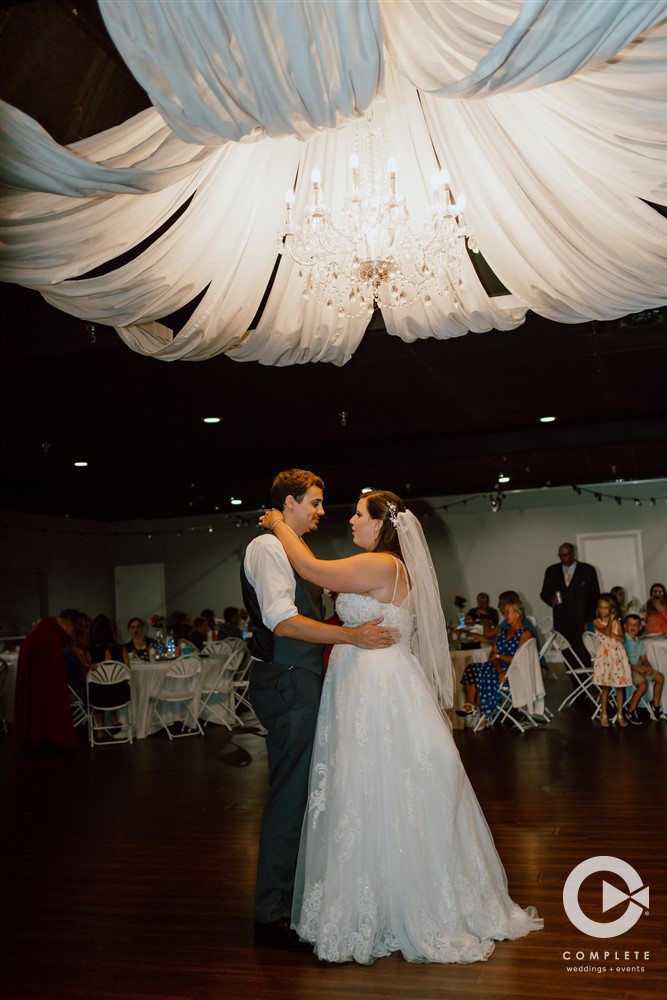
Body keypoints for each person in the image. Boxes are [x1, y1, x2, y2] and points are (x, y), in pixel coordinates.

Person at [262, 489, 542, 964]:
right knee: (374, 789)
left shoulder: (384, 565)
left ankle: (394, 906)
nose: (349, 520)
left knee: (379, 786)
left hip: (376, 687)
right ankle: (383, 898)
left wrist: (277, 524)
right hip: (367, 682)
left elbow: (310, 569)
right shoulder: (380, 567)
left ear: (380, 524)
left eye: (357, 514)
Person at [241, 469, 397, 952]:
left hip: (302, 681)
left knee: (306, 793)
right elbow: (283, 623)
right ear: (288, 504)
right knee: (291, 796)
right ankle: (271, 915)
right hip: (288, 682)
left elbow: (310, 586)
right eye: (313, 502)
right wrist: (350, 636)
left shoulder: (286, 548)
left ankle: (291, 903)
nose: (321, 511)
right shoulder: (267, 548)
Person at [14, 608, 83, 751]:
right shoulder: (49, 636)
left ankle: (36, 733)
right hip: (46, 651)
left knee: (36, 694)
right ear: (71, 623)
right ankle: (52, 734)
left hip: (33, 654)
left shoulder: (44, 630)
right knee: (51, 692)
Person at [457, 599, 533, 729]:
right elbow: (493, 654)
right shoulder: (502, 631)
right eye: (504, 612)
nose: (504, 615)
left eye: (507, 612)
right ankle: (471, 704)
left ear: (517, 613)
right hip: (498, 668)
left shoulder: (526, 634)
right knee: (472, 668)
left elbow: (518, 660)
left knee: (481, 674)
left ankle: (483, 714)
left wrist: (499, 659)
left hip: (513, 672)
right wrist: (499, 668)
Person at [540, 543, 600, 676]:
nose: (563, 558)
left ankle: (583, 685)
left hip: (582, 621)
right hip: (562, 621)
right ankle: (574, 682)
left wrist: (589, 620)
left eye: (566, 555)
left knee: (582, 652)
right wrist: (551, 599)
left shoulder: (588, 570)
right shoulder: (551, 571)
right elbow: (543, 593)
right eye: (560, 555)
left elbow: (595, 597)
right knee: (567, 653)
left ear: (573, 554)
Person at [88, 614, 131, 741]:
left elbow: (89, 673)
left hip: (98, 697)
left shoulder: (90, 651)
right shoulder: (120, 648)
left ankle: (100, 730)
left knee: (95, 686)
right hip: (120, 695)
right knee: (115, 684)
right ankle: (114, 719)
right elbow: (127, 671)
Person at [591, 595, 630, 728]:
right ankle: (604, 714)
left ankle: (620, 714)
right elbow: (606, 631)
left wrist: (615, 633)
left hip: (616, 657)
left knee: (619, 687)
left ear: (611, 609)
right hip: (604, 658)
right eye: (601, 608)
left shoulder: (617, 623)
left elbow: (623, 639)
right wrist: (611, 622)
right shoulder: (596, 622)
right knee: (605, 687)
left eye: (606, 608)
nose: (603, 610)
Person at [623, 614, 664, 724]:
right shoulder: (623, 641)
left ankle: (654, 706)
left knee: (660, 677)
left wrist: (648, 666)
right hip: (628, 669)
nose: (633, 627)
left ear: (640, 627)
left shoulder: (640, 642)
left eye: (636, 625)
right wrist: (637, 669)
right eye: (630, 624)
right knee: (643, 685)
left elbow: (644, 659)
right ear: (625, 626)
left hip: (640, 668)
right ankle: (630, 711)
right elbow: (623, 662)